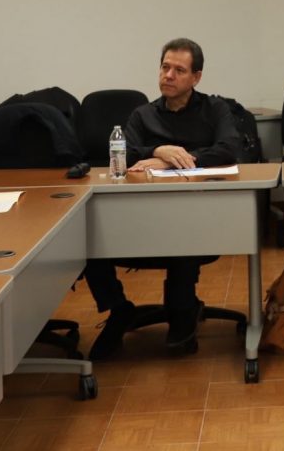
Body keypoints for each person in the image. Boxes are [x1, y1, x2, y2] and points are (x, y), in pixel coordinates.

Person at [86, 37, 243, 360]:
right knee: (88, 235)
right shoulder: (143, 115)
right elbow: (125, 152)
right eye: (165, 67)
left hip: (196, 214)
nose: (168, 75)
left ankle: (183, 311)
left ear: (196, 77)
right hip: (141, 216)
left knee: (182, 228)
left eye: (179, 70)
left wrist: (178, 160)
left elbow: (229, 149)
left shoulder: (215, 109)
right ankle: (118, 308)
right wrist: (158, 150)